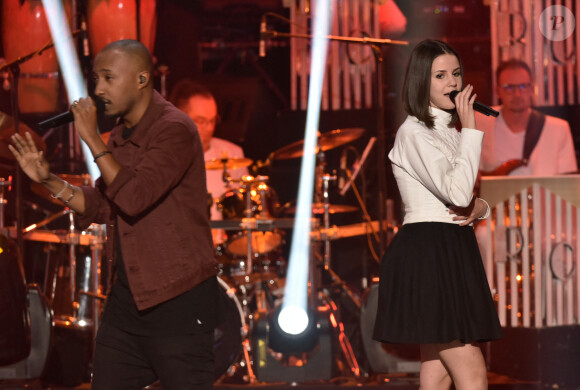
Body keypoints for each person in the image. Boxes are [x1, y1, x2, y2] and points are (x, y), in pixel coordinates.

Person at [9, 39, 221, 389]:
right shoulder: (121, 135)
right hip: (129, 299)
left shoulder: (175, 129)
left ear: (142, 79)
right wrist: (47, 178)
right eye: (96, 79)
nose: (98, 89)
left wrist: (93, 138)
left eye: (108, 78)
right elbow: (104, 205)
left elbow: (135, 196)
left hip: (177, 299)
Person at [373, 39, 502, 390]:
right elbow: (458, 194)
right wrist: (473, 127)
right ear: (420, 81)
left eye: (456, 74)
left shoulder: (448, 132)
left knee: (437, 372)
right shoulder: (413, 133)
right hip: (428, 250)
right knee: (471, 371)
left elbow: (466, 199)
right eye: (441, 75)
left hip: (452, 245)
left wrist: (482, 208)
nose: (453, 83)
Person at [169, 81, 248, 247]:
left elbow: (246, 210)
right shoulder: (163, 157)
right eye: (201, 121)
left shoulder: (233, 153)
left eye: (213, 121)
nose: (209, 128)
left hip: (223, 250)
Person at [477, 59, 577, 176]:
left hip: (542, 194)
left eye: (523, 86)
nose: (517, 94)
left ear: (531, 89)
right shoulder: (479, 121)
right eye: (509, 88)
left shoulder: (558, 129)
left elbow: (568, 184)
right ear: (498, 91)